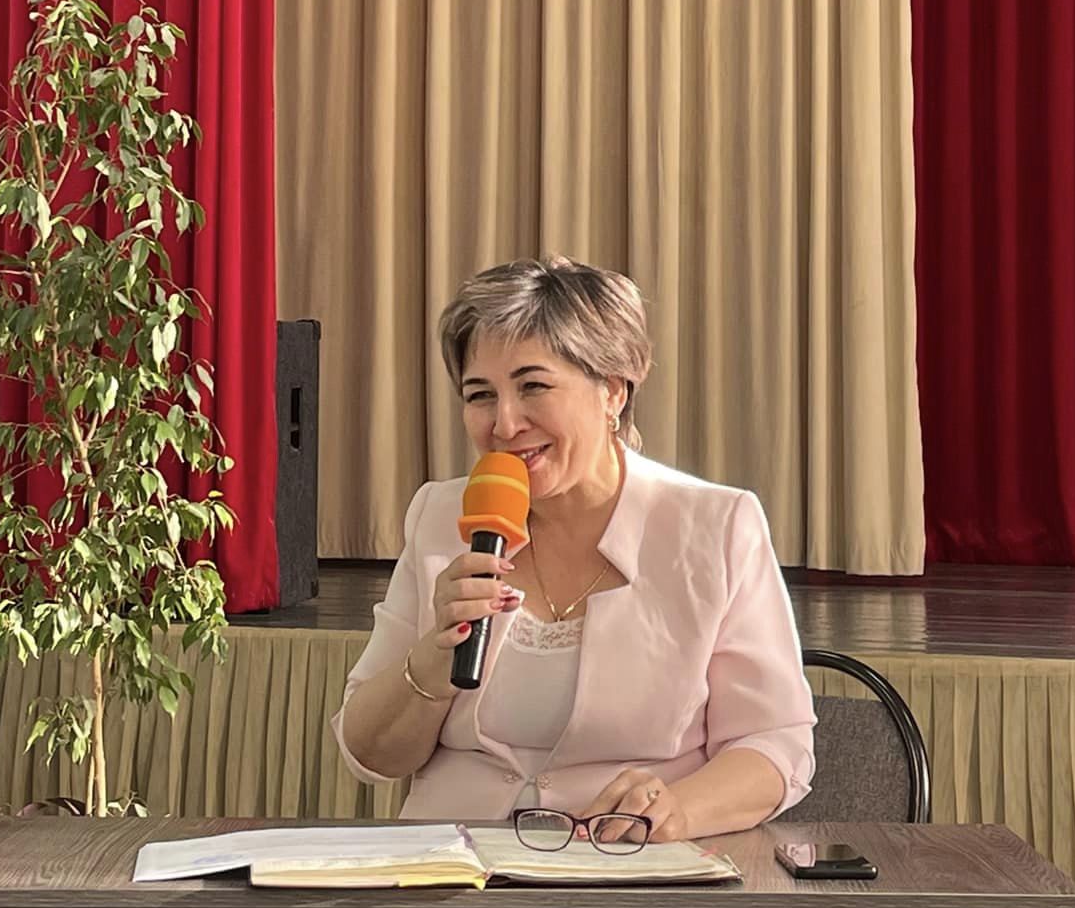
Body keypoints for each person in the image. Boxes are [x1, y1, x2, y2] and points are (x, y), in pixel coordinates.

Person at [333, 256, 816, 840]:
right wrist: (436, 654)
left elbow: (775, 743)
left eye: (533, 386)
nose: (504, 424)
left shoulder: (715, 526)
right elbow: (370, 755)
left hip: (625, 865)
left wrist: (677, 810)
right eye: (480, 394)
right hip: (452, 869)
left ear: (612, 390)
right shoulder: (440, 514)